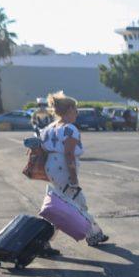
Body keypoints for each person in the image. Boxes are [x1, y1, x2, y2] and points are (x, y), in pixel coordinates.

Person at [39, 91, 108, 248]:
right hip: (63, 167)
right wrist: (73, 177)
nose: (77, 113)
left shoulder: (49, 128)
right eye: (76, 109)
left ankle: (93, 234)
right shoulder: (69, 129)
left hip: (52, 167)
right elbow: (69, 154)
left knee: (65, 203)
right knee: (73, 202)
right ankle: (93, 234)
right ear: (69, 109)